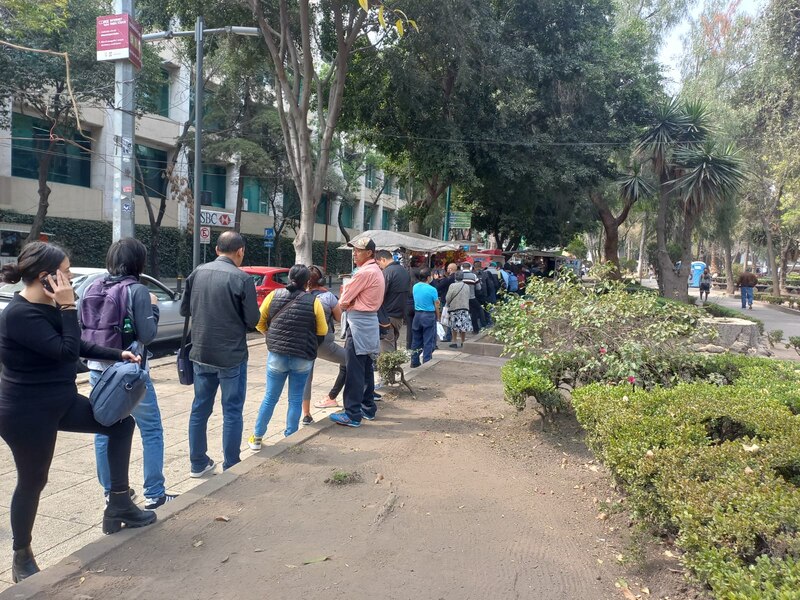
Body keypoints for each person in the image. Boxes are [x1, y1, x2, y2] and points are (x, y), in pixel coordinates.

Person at [0, 243, 155, 582]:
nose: (70, 279)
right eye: (67, 273)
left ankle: (119, 504)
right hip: (26, 412)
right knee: (33, 481)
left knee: (119, 425)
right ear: (46, 278)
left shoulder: (49, 306)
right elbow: (67, 351)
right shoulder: (18, 314)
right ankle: (21, 555)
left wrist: (117, 354)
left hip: (62, 400)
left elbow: (80, 344)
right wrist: (69, 305)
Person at [80, 238, 176, 510]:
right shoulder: (138, 290)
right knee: (151, 429)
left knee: (104, 429)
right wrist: (154, 308)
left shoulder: (91, 286)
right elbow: (147, 334)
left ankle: (112, 492)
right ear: (139, 262)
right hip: (130, 374)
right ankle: (155, 493)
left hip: (97, 370)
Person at [180, 232, 260, 476]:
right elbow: (252, 320)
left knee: (200, 408)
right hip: (231, 356)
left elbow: (185, 309)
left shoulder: (197, 273)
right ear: (240, 251)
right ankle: (231, 464)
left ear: (216, 249)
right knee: (232, 410)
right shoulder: (242, 279)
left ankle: (197, 463)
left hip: (201, 352)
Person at [247, 265, 327, 449]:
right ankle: (290, 438)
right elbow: (322, 330)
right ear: (307, 282)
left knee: (270, 397)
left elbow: (259, 322)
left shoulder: (273, 295)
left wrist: (270, 336)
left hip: (277, 356)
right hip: (302, 357)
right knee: (295, 398)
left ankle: (257, 437)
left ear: (289, 277)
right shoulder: (314, 301)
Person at [330, 237, 385, 428]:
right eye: (354, 251)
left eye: (358, 251)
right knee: (365, 368)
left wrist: (349, 299)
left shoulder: (364, 272)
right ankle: (367, 408)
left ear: (369, 253)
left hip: (359, 324)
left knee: (354, 370)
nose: (355, 254)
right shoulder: (376, 270)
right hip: (368, 322)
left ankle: (352, 414)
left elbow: (343, 301)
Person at [299, 265, 345, 423]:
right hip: (324, 343)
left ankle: (306, 414)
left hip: (304, 343)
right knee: (353, 360)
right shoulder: (329, 297)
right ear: (322, 280)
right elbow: (339, 319)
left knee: (306, 378)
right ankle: (353, 399)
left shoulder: (301, 296)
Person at [375, 250, 410, 352]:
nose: (379, 267)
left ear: (383, 259)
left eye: (379, 263)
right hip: (399, 315)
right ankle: (393, 366)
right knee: (391, 343)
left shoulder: (387, 272)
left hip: (387, 315)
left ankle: (391, 368)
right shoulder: (404, 271)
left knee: (386, 348)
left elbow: (379, 294)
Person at [410, 268, 441, 367]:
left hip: (417, 315)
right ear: (428, 277)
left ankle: (414, 361)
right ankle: (427, 361)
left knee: (416, 339)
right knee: (428, 340)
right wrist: (438, 316)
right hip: (428, 315)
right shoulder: (432, 289)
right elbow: (436, 305)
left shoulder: (415, 287)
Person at [445, 270, 472, 348]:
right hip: (464, 307)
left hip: (454, 308)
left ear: (455, 277)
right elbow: (469, 296)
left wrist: (448, 303)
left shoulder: (452, 285)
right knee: (463, 326)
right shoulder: (466, 286)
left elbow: (448, 297)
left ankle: (454, 341)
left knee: (454, 326)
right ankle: (463, 341)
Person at [460, 262, 483, 333]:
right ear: (470, 268)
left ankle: (461, 329)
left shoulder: (458, 275)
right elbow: (478, 288)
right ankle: (476, 329)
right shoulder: (473, 276)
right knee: (476, 311)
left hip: (461, 299)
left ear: (461, 268)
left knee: (461, 313)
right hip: (472, 298)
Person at [473, 260, 497, 325]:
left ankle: (479, 325)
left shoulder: (473, 275)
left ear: (474, 266)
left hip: (475, 296)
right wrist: (488, 294)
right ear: (481, 266)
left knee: (476, 310)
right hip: (485, 295)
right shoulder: (485, 274)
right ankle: (487, 323)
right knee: (486, 310)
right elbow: (490, 286)